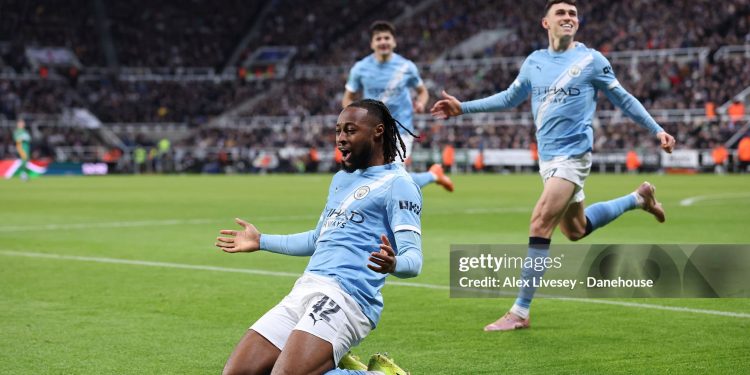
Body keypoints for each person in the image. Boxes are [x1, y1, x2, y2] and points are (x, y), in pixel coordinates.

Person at [431, 0, 676, 331]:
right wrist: (465, 107)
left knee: (539, 222)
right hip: (548, 160)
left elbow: (625, 99)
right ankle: (639, 199)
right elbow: (508, 97)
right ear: (545, 23)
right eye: (561, 13)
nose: (568, 18)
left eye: (573, 14)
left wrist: (657, 129)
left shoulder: (591, 60)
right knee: (576, 230)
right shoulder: (535, 62)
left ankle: (520, 311)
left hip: (573, 157)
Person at [215, 99, 420, 375]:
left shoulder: (400, 185)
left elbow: (414, 260)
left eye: (350, 130)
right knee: (236, 373)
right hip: (306, 288)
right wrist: (261, 241)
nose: (341, 139)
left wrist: (394, 264)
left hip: (348, 298)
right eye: (338, 131)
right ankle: (330, 364)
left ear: (378, 131)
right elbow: (316, 239)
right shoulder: (341, 180)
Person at [343, 20, 453, 192]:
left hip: (400, 129)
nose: (383, 42)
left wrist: (421, 103)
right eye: (378, 39)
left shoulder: (406, 67)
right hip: (371, 130)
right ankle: (433, 175)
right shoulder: (360, 68)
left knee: (388, 177)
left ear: (394, 42)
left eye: (387, 38)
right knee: (377, 177)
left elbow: (422, 91)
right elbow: (348, 97)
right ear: (372, 44)